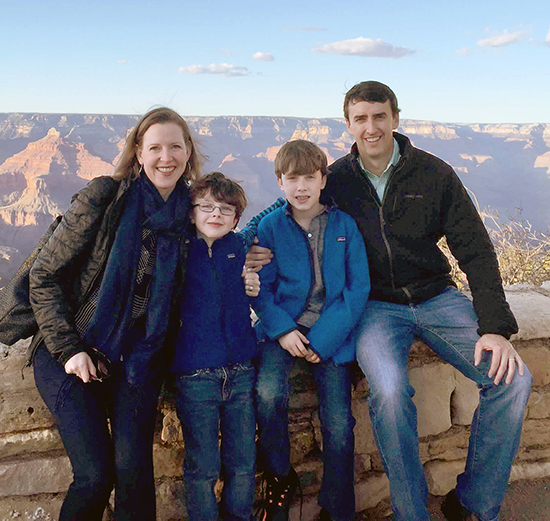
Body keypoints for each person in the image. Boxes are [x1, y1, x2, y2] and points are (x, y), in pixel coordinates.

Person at [246, 82, 532, 521]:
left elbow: (474, 249)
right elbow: (285, 208)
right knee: (391, 390)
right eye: (360, 118)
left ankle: (474, 502)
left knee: (513, 381)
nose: (371, 127)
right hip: (376, 308)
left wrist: (494, 326)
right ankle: (410, 512)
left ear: (396, 119)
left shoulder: (434, 174)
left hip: (437, 298)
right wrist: (243, 244)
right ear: (349, 125)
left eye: (379, 116)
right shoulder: (337, 177)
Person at [28, 107, 202, 521]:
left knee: (134, 473)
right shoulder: (105, 197)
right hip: (70, 350)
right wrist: (70, 348)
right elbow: (44, 276)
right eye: (155, 147)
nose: (166, 157)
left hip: (137, 361)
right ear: (138, 152)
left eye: (175, 146)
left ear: (188, 150)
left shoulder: (192, 213)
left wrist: (249, 264)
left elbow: (223, 248)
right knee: (95, 475)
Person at [252, 140, 370, 521]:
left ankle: (337, 506)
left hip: (331, 335)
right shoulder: (270, 227)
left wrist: (324, 339)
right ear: (279, 182)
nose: (301, 186)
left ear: (323, 180)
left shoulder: (343, 225)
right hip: (282, 331)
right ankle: (280, 477)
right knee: (268, 394)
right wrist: (283, 330)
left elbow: (357, 290)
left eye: (309, 177)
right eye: (292, 178)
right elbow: (262, 290)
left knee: (338, 423)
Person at [171, 172, 260, 521]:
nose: (215, 214)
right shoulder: (177, 253)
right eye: (206, 206)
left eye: (225, 209)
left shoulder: (240, 250)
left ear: (236, 219)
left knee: (243, 462)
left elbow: (265, 224)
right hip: (195, 374)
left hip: (240, 370)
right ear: (191, 212)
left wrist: (253, 281)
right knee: (203, 465)